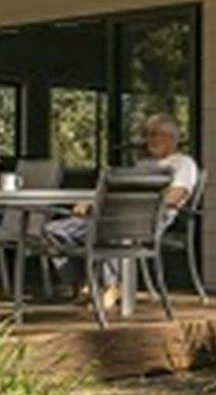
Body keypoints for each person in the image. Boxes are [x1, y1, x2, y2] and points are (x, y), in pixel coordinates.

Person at [43, 113, 199, 304]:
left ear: (171, 137)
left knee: (113, 229)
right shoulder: (143, 165)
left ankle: (111, 286)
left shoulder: (183, 163)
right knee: (53, 231)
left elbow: (174, 197)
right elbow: (120, 190)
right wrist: (91, 202)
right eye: (146, 134)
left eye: (153, 134)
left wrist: (131, 206)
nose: (147, 140)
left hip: (148, 219)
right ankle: (84, 283)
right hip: (113, 214)